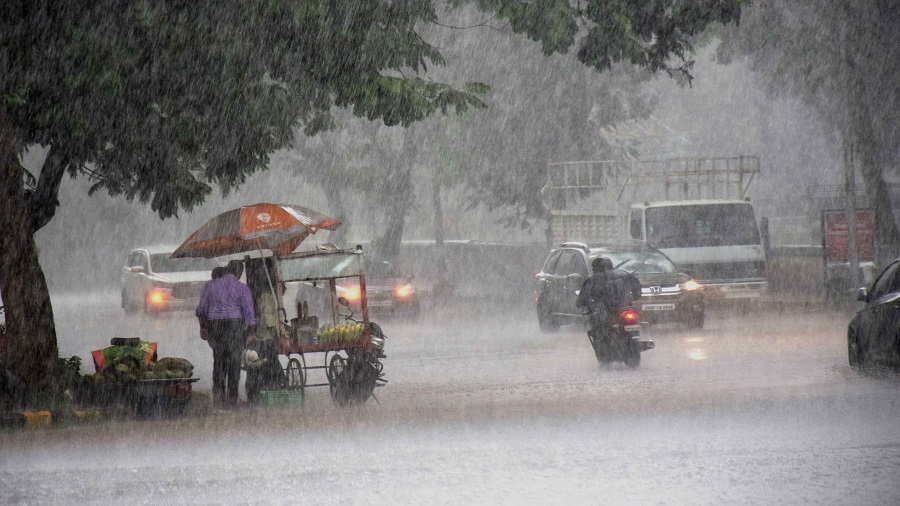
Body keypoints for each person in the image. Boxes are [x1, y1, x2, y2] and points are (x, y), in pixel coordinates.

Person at [196, 259, 256, 407]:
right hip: (234, 327)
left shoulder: (210, 286)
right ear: (239, 272)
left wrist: (203, 328)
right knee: (234, 363)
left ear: (227, 268)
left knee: (219, 361)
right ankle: (232, 398)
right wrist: (250, 333)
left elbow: (201, 310)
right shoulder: (242, 288)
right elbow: (249, 315)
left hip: (215, 328)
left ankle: (218, 397)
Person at [576, 256, 642, 339]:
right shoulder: (626, 275)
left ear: (595, 268)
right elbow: (638, 291)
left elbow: (581, 300)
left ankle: (604, 341)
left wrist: (582, 303)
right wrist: (632, 298)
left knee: (598, 324)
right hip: (625, 308)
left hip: (606, 311)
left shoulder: (592, 280)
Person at [245, 273, 287, 404]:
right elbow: (269, 321)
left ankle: (260, 394)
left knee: (264, 365)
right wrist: (276, 339)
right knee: (269, 363)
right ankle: (272, 390)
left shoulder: (268, 297)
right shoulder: (268, 297)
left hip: (264, 338)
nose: (284, 290)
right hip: (266, 338)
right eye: (283, 287)